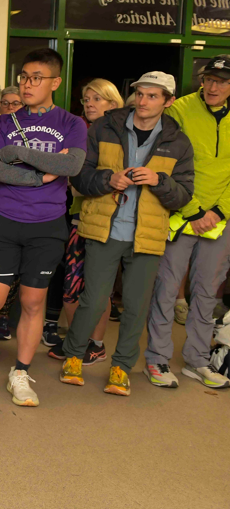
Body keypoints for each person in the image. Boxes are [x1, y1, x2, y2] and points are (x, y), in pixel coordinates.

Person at [0, 48, 87, 407]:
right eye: (24, 76)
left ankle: (21, 373)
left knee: (32, 300)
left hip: (47, 226)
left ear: (54, 82)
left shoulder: (72, 123)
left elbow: (72, 164)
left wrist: (20, 155)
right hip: (5, 222)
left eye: (36, 78)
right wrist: (43, 175)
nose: (27, 84)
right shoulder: (4, 122)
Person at [59, 72, 194, 396]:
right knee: (92, 301)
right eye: (140, 94)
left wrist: (158, 179)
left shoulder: (178, 141)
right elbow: (80, 177)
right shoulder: (105, 127)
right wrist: (109, 180)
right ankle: (73, 357)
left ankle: (121, 368)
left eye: (153, 96)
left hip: (148, 235)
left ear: (168, 101)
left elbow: (184, 194)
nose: (144, 101)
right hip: (106, 229)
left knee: (136, 306)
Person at [145, 55, 230, 389]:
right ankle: (158, 359)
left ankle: (196, 360)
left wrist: (218, 212)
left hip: (221, 219)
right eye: (209, 79)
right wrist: (194, 210)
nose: (213, 87)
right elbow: (166, 161)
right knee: (166, 289)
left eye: (222, 81)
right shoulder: (179, 109)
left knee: (207, 293)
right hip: (182, 214)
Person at [48, 79, 123, 363]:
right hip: (76, 216)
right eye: (86, 98)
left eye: (97, 99)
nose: (89, 104)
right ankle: (77, 339)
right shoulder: (83, 131)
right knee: (72, 287)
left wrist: (72, 179)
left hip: (105, 219)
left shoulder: (119, 136)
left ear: (113, 104)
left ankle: (96, 344)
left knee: (96, 287)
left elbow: (104, 179)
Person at [0, 86, 22, 341]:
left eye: (16, 103)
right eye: (6, 103)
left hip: (23, 211)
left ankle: (4, 317)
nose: (10, 108)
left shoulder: (30, 135)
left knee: (16, 273)